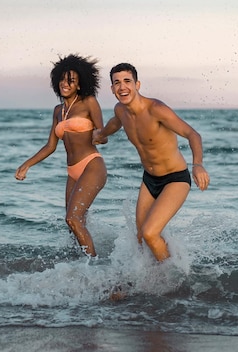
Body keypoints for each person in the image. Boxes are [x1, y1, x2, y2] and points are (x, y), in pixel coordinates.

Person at [93, 63, 210, 262]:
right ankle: (147, 281)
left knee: (150, 233)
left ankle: (173, 279)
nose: (122, 87)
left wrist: (197, 164)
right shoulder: (121, 110)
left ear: (137, 84)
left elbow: (192, 134)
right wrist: (101, 134)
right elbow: (116, 122)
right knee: (141, 238)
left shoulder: (156, 109)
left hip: (175, 179)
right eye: (117, 83)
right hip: (150, 180)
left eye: (127, 81)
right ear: (112, 89)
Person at [15, 54, 107, 257]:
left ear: (80, 84)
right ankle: (79, 265)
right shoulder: (58, 110)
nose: (65, 84)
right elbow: (50, 145)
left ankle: (96, 269)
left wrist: (99, 136)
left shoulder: (89, 102)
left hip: (92, 165)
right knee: (73, 224)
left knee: (73, 219)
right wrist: (27, 165)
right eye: (63, 79)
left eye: (71, 80)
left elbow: (102, 132)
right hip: (72, 172)